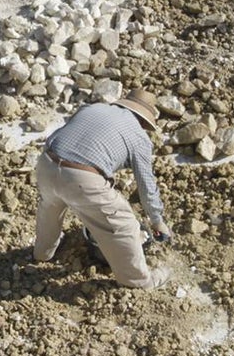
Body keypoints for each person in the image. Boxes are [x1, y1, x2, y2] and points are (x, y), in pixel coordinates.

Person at [33, 88, 173, 289]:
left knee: (51, 207)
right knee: (124, 225)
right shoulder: (139, 137)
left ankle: (42, 253)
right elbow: (146, 185)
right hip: (81, 179)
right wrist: (158, 221)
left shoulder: (93, 108)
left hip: (46, 163)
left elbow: (66, 137)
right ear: (144, 121)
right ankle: (140, 281)